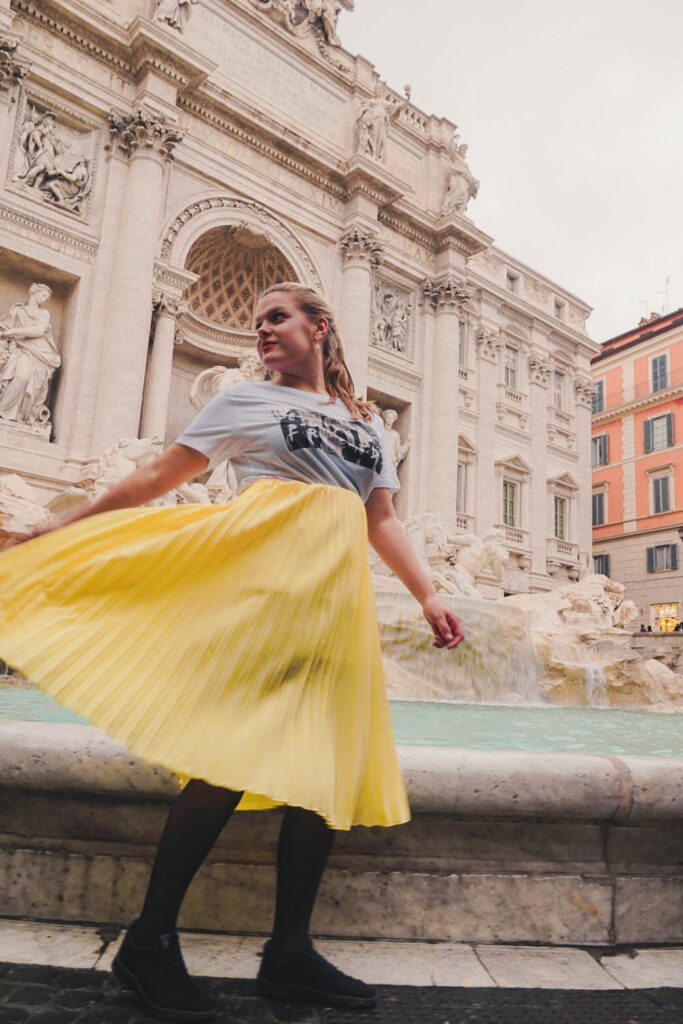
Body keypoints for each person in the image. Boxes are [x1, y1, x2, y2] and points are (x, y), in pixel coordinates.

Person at [0, 283, 463, 1022]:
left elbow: (382, 519)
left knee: (327, 765)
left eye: (277, 318)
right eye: (256, 323)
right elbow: (159, 478)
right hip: (262, 586)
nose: (262, 332)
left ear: (320, 328)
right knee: (227, 758)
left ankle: (287, 955)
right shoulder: (244, 400)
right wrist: (62, 528)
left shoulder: (365, 422)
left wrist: (428, 595)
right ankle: (147, 944)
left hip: (334, 603)